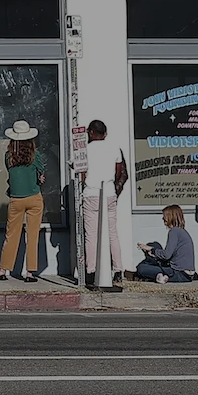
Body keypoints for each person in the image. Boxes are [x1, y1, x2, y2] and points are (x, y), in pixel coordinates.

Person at [0, 119, 45, 282]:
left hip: (16, 199)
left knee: (11, 235)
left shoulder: (8, 156)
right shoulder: (35, 155)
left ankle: (2, 270)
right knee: (32, 236)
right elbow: (41, 174)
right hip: (34, 197)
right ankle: (30, 273)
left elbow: (11, 174)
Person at [81, 119, 125, 291]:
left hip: (91, 193)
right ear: (105, 134)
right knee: (112, 233)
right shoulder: (114, 148)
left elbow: (81, 172)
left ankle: (91, 271)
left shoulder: (85, 149)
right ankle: (118, 269)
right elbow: (118, 171)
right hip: (109, 193)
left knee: (91, 235)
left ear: (91, 132)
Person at [135, 204, 198, 283]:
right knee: (156, 246)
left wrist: (152, 250)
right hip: (187, 274)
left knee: (141, 268)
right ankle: (160, 276)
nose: (163, 218)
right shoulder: (181, 231)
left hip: (179, 273)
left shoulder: (174, 231)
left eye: (164, 216)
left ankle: (161, 276)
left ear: (171, 217)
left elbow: (166, 255)